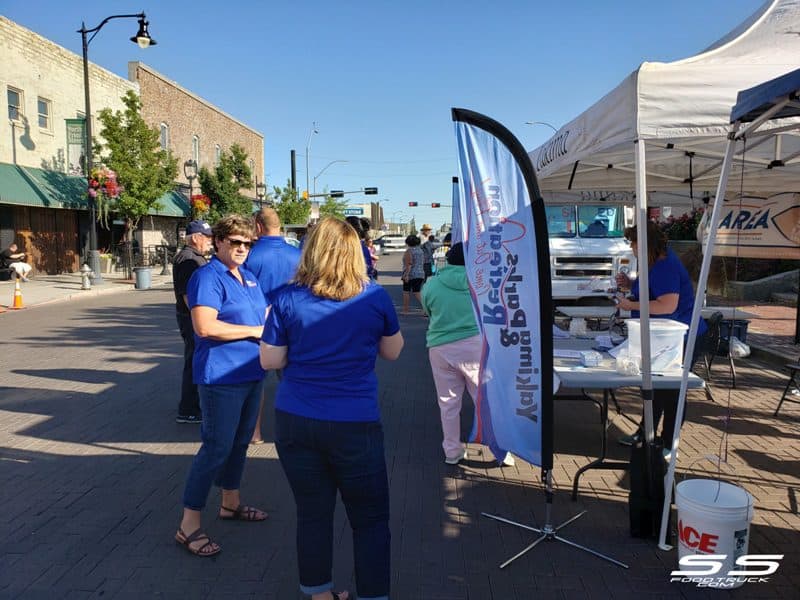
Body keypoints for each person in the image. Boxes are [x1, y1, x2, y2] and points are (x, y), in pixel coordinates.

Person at [260, 217, 403, 600]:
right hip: (354, 423)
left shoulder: (286, 298)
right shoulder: (373, 296)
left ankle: (319, 593)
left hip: (296, 420)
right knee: (370, 519)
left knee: (313, 513)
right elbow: (393, 351)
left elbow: (270, 360)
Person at [175, 215, 268, 558]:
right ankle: (188, 526)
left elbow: (264, 314)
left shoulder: (249, 277)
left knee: (240, 443)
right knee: (216, 447)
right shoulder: (206, 277)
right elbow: (205, 326)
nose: (242, 248)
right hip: (221, 377)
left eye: (248, 243)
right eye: (235, 242)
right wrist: (254, 332)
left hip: (252, 372)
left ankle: (230, 504)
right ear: (218, 242)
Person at [615, 220, 707, 457]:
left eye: (634, 243)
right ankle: (646, 433)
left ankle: (668, 443)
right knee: (653, 386)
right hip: (663, 336)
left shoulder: (665, 265)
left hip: (683, 335)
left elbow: (667, 304)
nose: (631, 248)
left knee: (672, 391)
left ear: (646, 244)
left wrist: (630, 304)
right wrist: (631, 284)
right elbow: (652, 289)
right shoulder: (652, 263)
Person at [421, 242, 515, 467]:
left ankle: (452, 451)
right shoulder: (481, 283)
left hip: (440, 347)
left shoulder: (432, 285)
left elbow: (427, 310)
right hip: (476, 347)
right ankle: (501, 451)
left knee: (448, 403)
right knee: (485, 401)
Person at [244, 207, 301, 444]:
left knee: (256, 383)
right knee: (292, 379)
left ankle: (255, 432)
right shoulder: (298, 254)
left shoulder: (250, 256)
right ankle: (296, 429)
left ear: (258, 226)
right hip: (294, 323)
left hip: (259, 324)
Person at [172, 220, 213, 424]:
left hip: (191, 318)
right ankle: (188, 409)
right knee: (194, 361)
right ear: (196, 238)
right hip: (191, 319)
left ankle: (193, 406)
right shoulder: (189, 259)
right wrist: (201, 319)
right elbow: (188, 295)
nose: (210, 241)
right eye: (207, 237)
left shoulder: (196, 258)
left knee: (195, 360)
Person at [401, 234, 425, 315]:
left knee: (406, 292)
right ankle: (426, 309)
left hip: (411, 274)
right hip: (420, 273)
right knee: (417, 292)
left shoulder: (409, 251)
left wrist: (406, 275)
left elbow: (409, 263)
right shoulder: (420, 251)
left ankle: (405, 310)